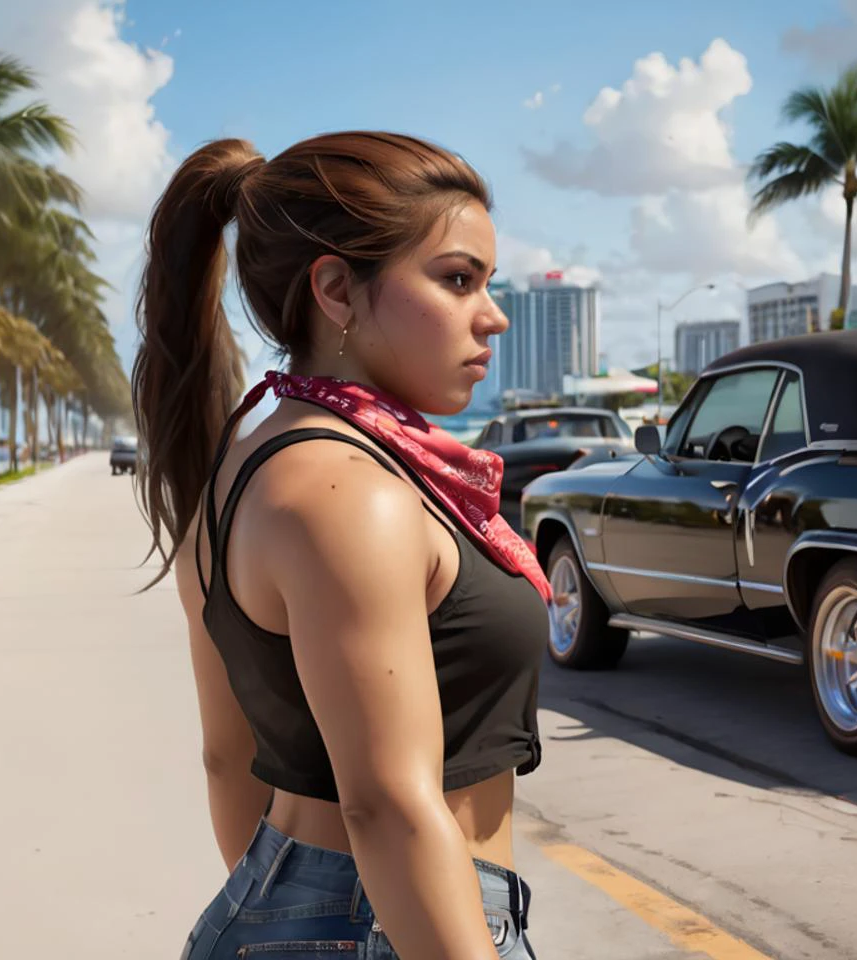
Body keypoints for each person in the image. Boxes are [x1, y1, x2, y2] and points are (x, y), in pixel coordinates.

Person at [131, 131, 551, 959]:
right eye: (457, 279)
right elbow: (388, 806)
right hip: (404, 924)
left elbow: (229, 760)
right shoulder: (351, 495)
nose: (493, 315)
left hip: (317, 912)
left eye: (487, 283)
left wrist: (287, 921)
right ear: (336, 289)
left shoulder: (238, 475)